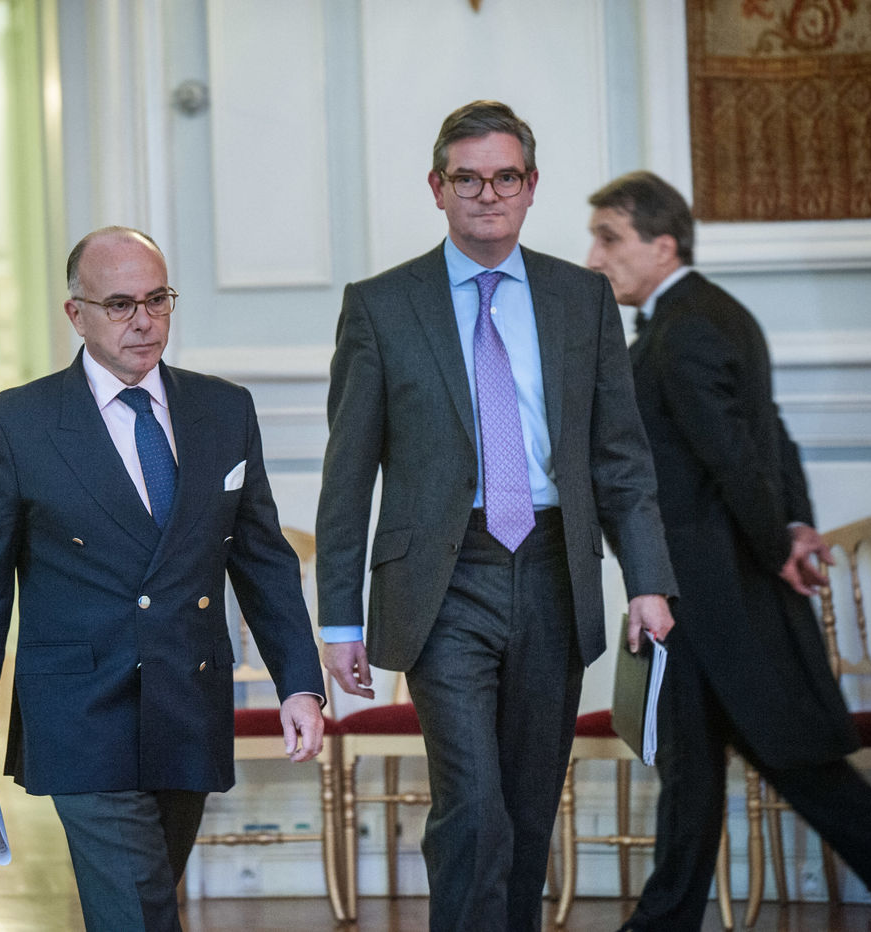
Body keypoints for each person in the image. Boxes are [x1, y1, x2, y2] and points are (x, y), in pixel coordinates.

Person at [315, 100, 678, 931]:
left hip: (553, 570)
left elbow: (620, 457)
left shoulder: (583, 298)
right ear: (437, 188)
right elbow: (348, 475)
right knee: (473, 805)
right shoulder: (381, 305)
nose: (488, 195)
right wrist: (339, 619)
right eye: (468, 179)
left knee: (525, 806)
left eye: (505, 178)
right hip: (443, 582)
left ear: (531, 186)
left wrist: (648, 581)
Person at [585, 170, 871, 932]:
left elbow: (733, 455)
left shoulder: (682, 331)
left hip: (705, 587)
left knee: (742, 752)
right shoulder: (718, 314)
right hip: (718, 579)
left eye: (609, 239)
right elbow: (771, 433)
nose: (594, 257)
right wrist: (791, 527)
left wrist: (777, 543)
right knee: (707, 758)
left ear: (663, 246)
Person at [0, 226, 325, 932]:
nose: (144, 321)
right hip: (79, 711)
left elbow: (264, 561)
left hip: (188, 698)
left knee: (145, 898)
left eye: (157, 300)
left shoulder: (223, 410)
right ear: (76, 314)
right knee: (138, 906)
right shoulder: (19, 424)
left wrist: (298, 682)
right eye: (120, 305)